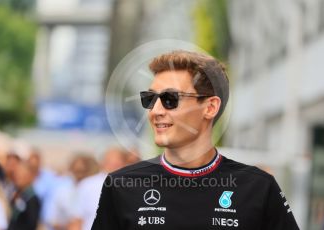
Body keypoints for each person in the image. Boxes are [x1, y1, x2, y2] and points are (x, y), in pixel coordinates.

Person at [92, 50, 300, 229]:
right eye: (149, 99)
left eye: (170, 99)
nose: (155, 111)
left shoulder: (258, 187)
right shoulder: (120, 184)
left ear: (210, 107)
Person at [70, 147, 127, 230]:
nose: (114, 165)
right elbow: (76, 221)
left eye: (118, 163)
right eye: (110, 162)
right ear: (103, 163)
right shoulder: (87, 185)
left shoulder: (132, 186)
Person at [8, 161, 40, 230]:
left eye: (21, 175)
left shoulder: (32, 199)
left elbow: (31, 224)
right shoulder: (18, 194)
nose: (17, 178)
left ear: (29, 176)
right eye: (16, 175)